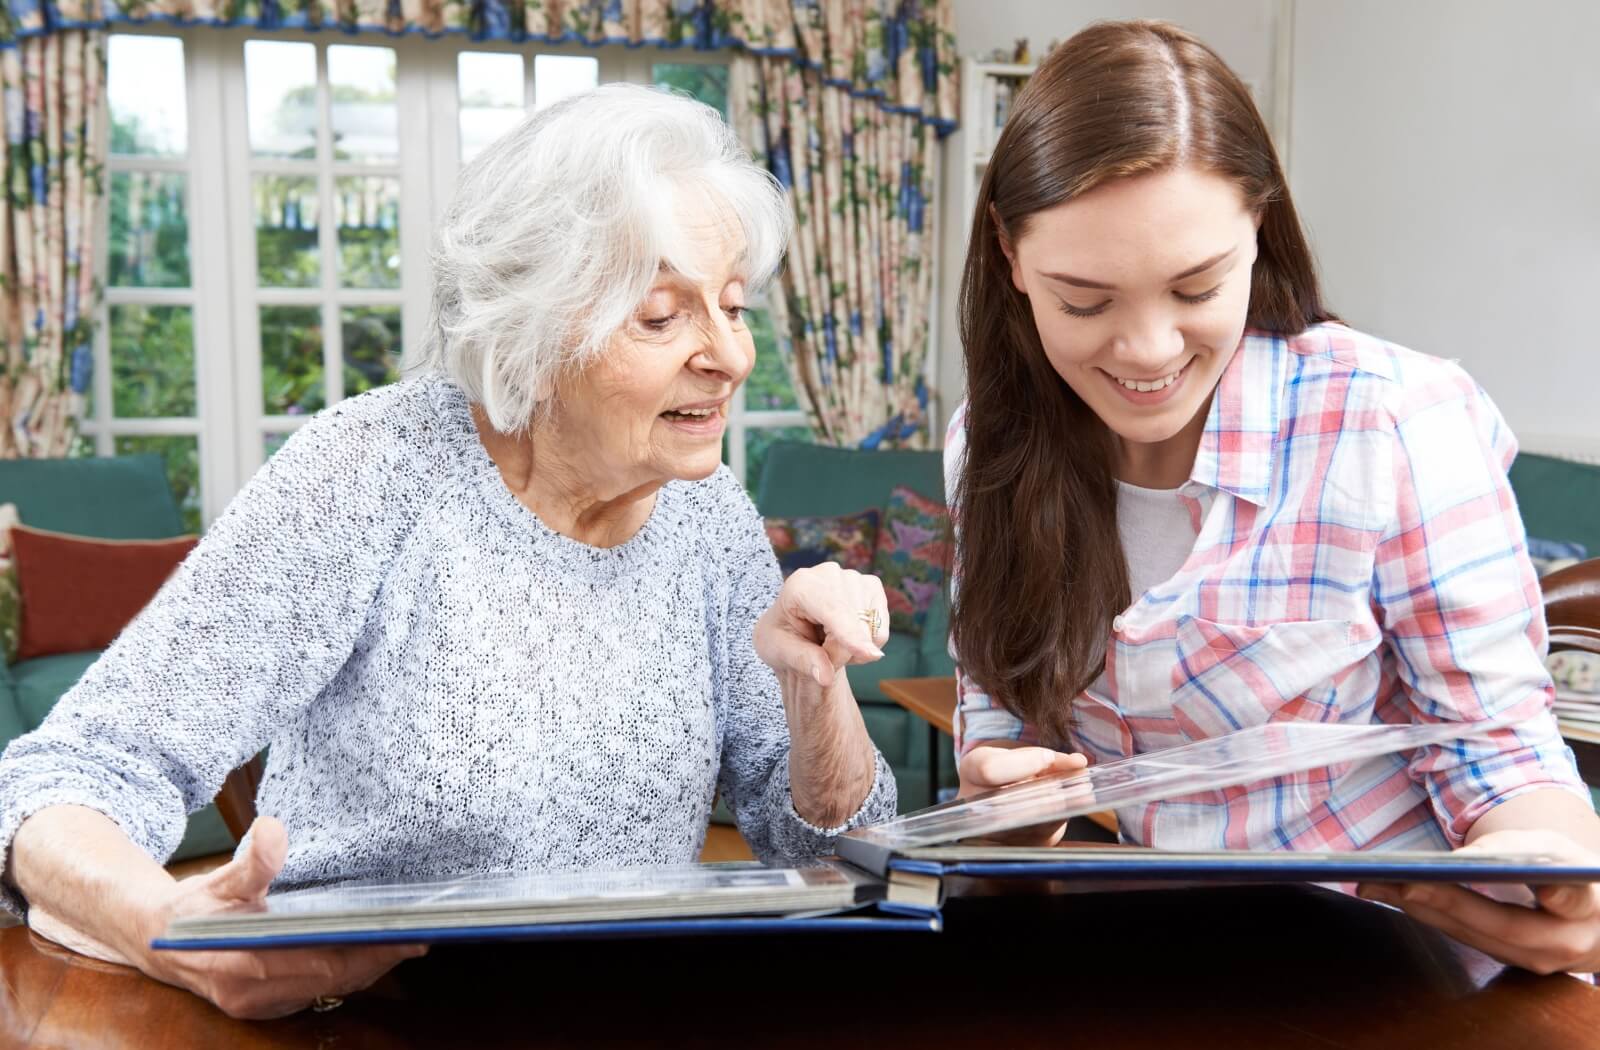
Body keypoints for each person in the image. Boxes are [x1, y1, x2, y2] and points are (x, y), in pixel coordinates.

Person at [0, 84, 897, 1018]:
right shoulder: (374, 469)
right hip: (357, 1021)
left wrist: (815, 687)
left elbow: (833, 853)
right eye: (663, 317)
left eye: (735, 306)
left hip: (622, 1019)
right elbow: (64, 778)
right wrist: (172, 935)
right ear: (536, 334)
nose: (730, 356)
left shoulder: (705, 509)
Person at [946, 20, 1600, 975]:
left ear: (1259, 224)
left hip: (1405, 969)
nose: (1148, 352)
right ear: (1008, 255)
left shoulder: (1389, 418)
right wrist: (1005, 798)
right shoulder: (992, 447)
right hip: (1172, 967)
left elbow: (1497, 745)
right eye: (1083, 302)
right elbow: (1003, 732)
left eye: (1198, 288)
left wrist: (1554, 861)